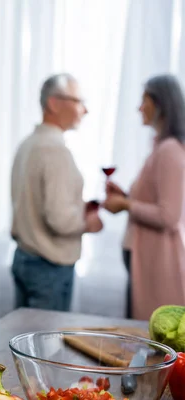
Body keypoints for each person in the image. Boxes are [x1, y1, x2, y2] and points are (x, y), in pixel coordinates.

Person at [10, 73, 103, 312]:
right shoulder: (54, 150)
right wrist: (89, 222)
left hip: (25, 258)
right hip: (48, 267)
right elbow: (59, 219)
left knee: (24, 341)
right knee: (45, 348)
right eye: (78, 101)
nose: (85, 110)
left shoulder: (28, 144)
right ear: (53, 103)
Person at [104, 74, 185, 320]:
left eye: (144, 100)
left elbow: (169, 215)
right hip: (146, 259)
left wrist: (127, 204)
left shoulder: (170, 150)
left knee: (154, 342)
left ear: (160, 104)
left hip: (158, 262)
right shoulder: (161, 148)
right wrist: (127, 196)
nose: (140, 107)